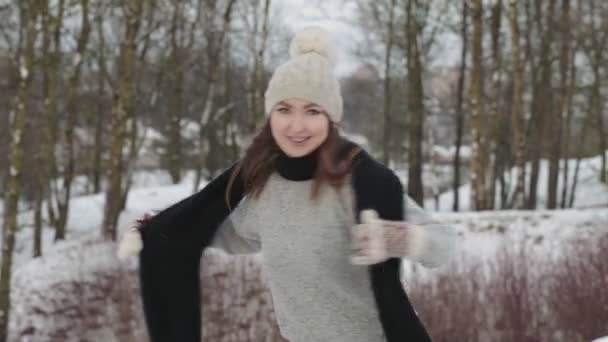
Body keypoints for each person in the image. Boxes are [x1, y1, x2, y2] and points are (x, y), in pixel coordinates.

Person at [119, 26, 455, 342]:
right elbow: (230, 234)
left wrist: (394, 237)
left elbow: (442, 246)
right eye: (284, 109)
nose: (296, 125)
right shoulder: (265, 187)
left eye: (312, 110)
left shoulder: (364, 184)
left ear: (330, 118)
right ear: (271, 116)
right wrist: (164, 229)